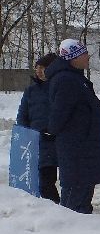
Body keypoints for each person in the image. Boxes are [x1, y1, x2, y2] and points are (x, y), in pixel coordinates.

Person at [46, 39, 100, 214]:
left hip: (83, 147)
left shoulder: (74, 77)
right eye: (83, 53)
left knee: (82, 193)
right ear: (72, 57)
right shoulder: (66, 80)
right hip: (77, 148)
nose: (87, 57)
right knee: (75, 199)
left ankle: (79, 230)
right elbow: (59, 115)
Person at [16, 53, 61, 203]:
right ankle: (54, 208)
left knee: (69, 181)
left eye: (43, 68)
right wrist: (24, 135)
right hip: (38, 142)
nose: (39, 71)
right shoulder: (31, 91)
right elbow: (23, 115)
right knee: (45, 182)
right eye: (37, 67)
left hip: (59, 141)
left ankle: (67, 211)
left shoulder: (61, 87)